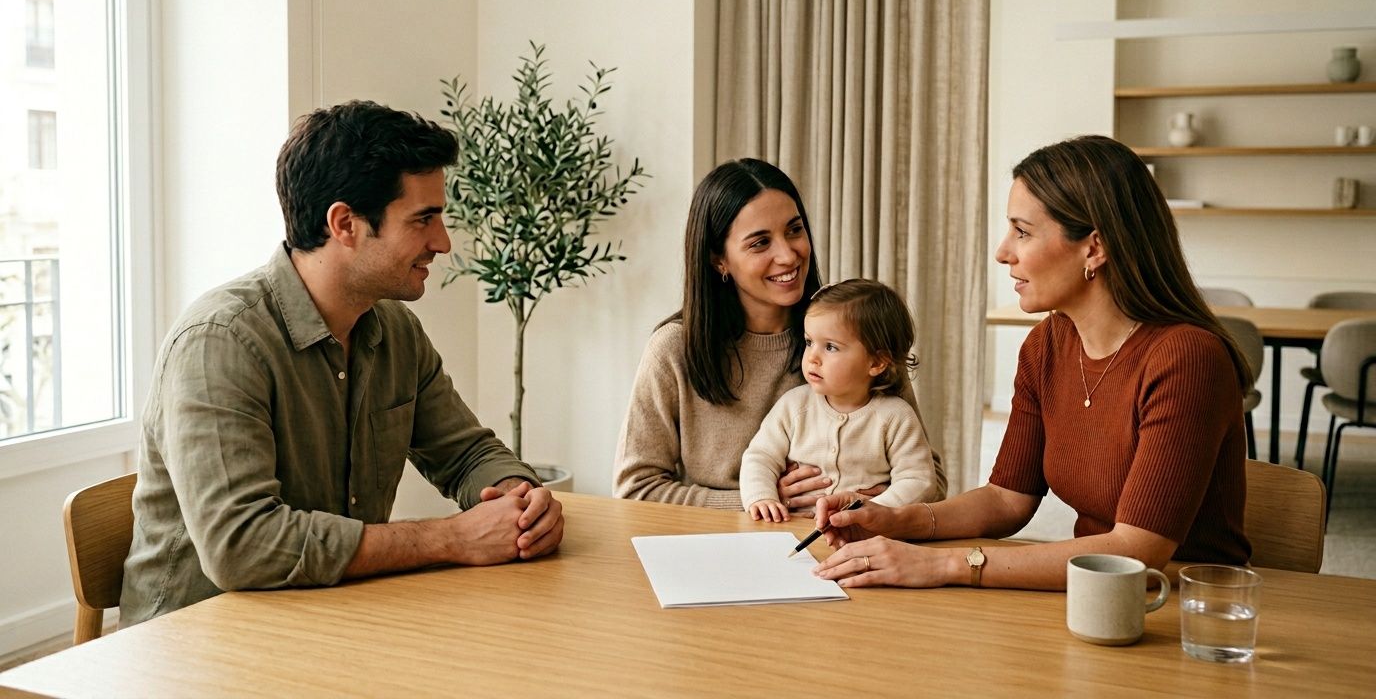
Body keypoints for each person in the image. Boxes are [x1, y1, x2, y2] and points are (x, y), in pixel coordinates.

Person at [121, 101, 564, 624]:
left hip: (329, 615)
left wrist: (520, 498)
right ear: (345, 224)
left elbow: (465, 453)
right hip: (194, 647)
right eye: (423, 219)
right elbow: (242, 546)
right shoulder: (220, 342)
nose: (442, 243)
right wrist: (451, 538)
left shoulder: (394, 329)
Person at [812, 135, 1251, 590]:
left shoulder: (1188, 359)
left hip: (1190, 606)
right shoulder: (1046, 344)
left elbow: (1137, 549)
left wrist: (944, 565)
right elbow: (1007, 499)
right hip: (1096, 596)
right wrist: (895, 519)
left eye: (1022, 232)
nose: (1004, 251)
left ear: (1094, 248)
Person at [613, 159, 946, 511]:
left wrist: (868, 504)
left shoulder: (854, 334)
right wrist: (760, 500)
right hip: (718, 545)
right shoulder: (674, 349)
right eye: (760, 243)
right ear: (718, 260)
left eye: (794, 230)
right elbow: (636, 489)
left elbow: (931, 478)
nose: (788, 255)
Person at [741, 279, 941, 521]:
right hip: (792, 528)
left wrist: (873, 510)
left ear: (877, 362)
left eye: (831, 347)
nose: (812, 357)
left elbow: (919, 481)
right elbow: (760, 456)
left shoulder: (895, 417)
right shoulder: (793, 405)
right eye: (809, 342)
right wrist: (762, 496)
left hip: (866, 534)